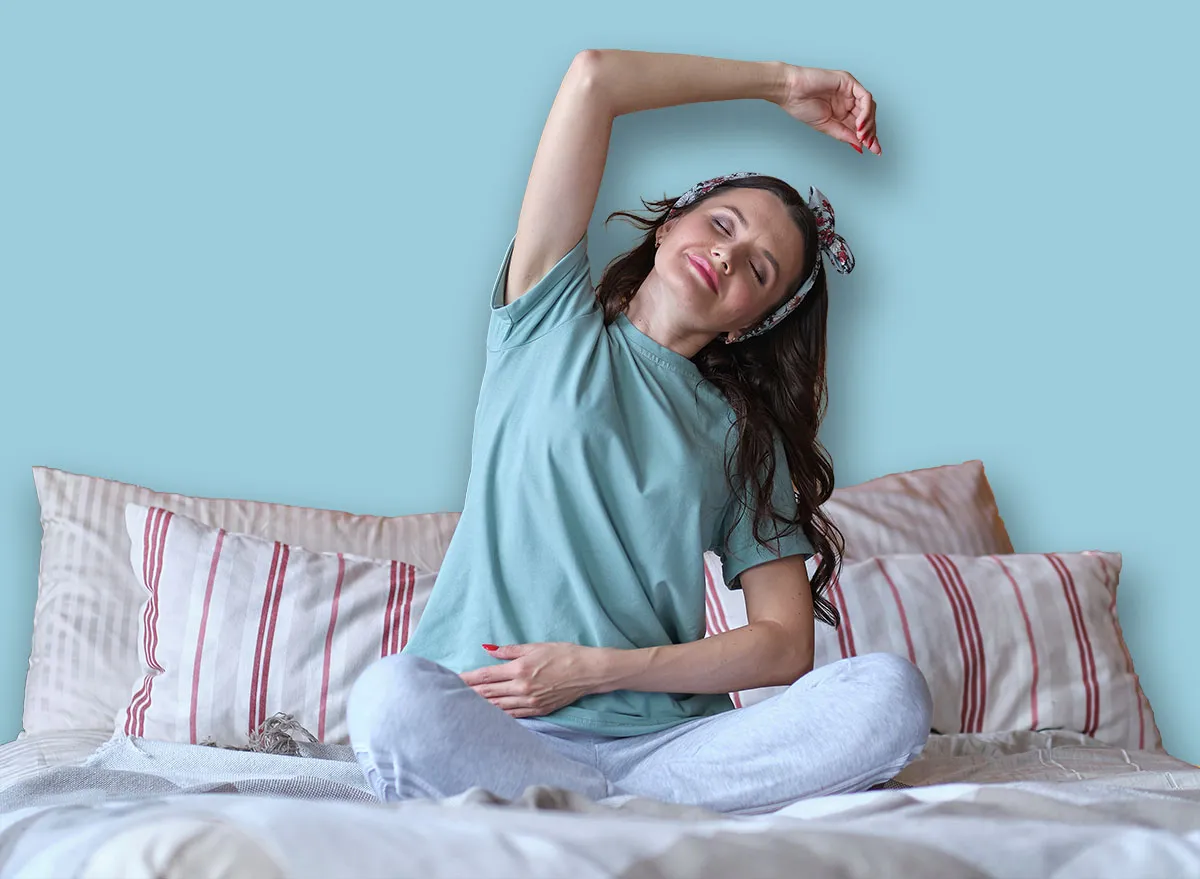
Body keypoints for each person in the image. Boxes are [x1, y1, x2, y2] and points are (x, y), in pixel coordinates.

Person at [347, 49, 932, 816]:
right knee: (390, 697)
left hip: (666, 749)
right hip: (491, 725)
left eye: (759, 271)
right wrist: (783, 85)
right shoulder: (545, 322)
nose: (728, 254)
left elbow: (786, 645)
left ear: (750, 321)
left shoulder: (741, 436)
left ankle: (592, 806)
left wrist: (597, 670)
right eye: (722, 224)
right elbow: (594, 79)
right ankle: (601, 808)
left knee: (891, 693)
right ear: (669, 226)